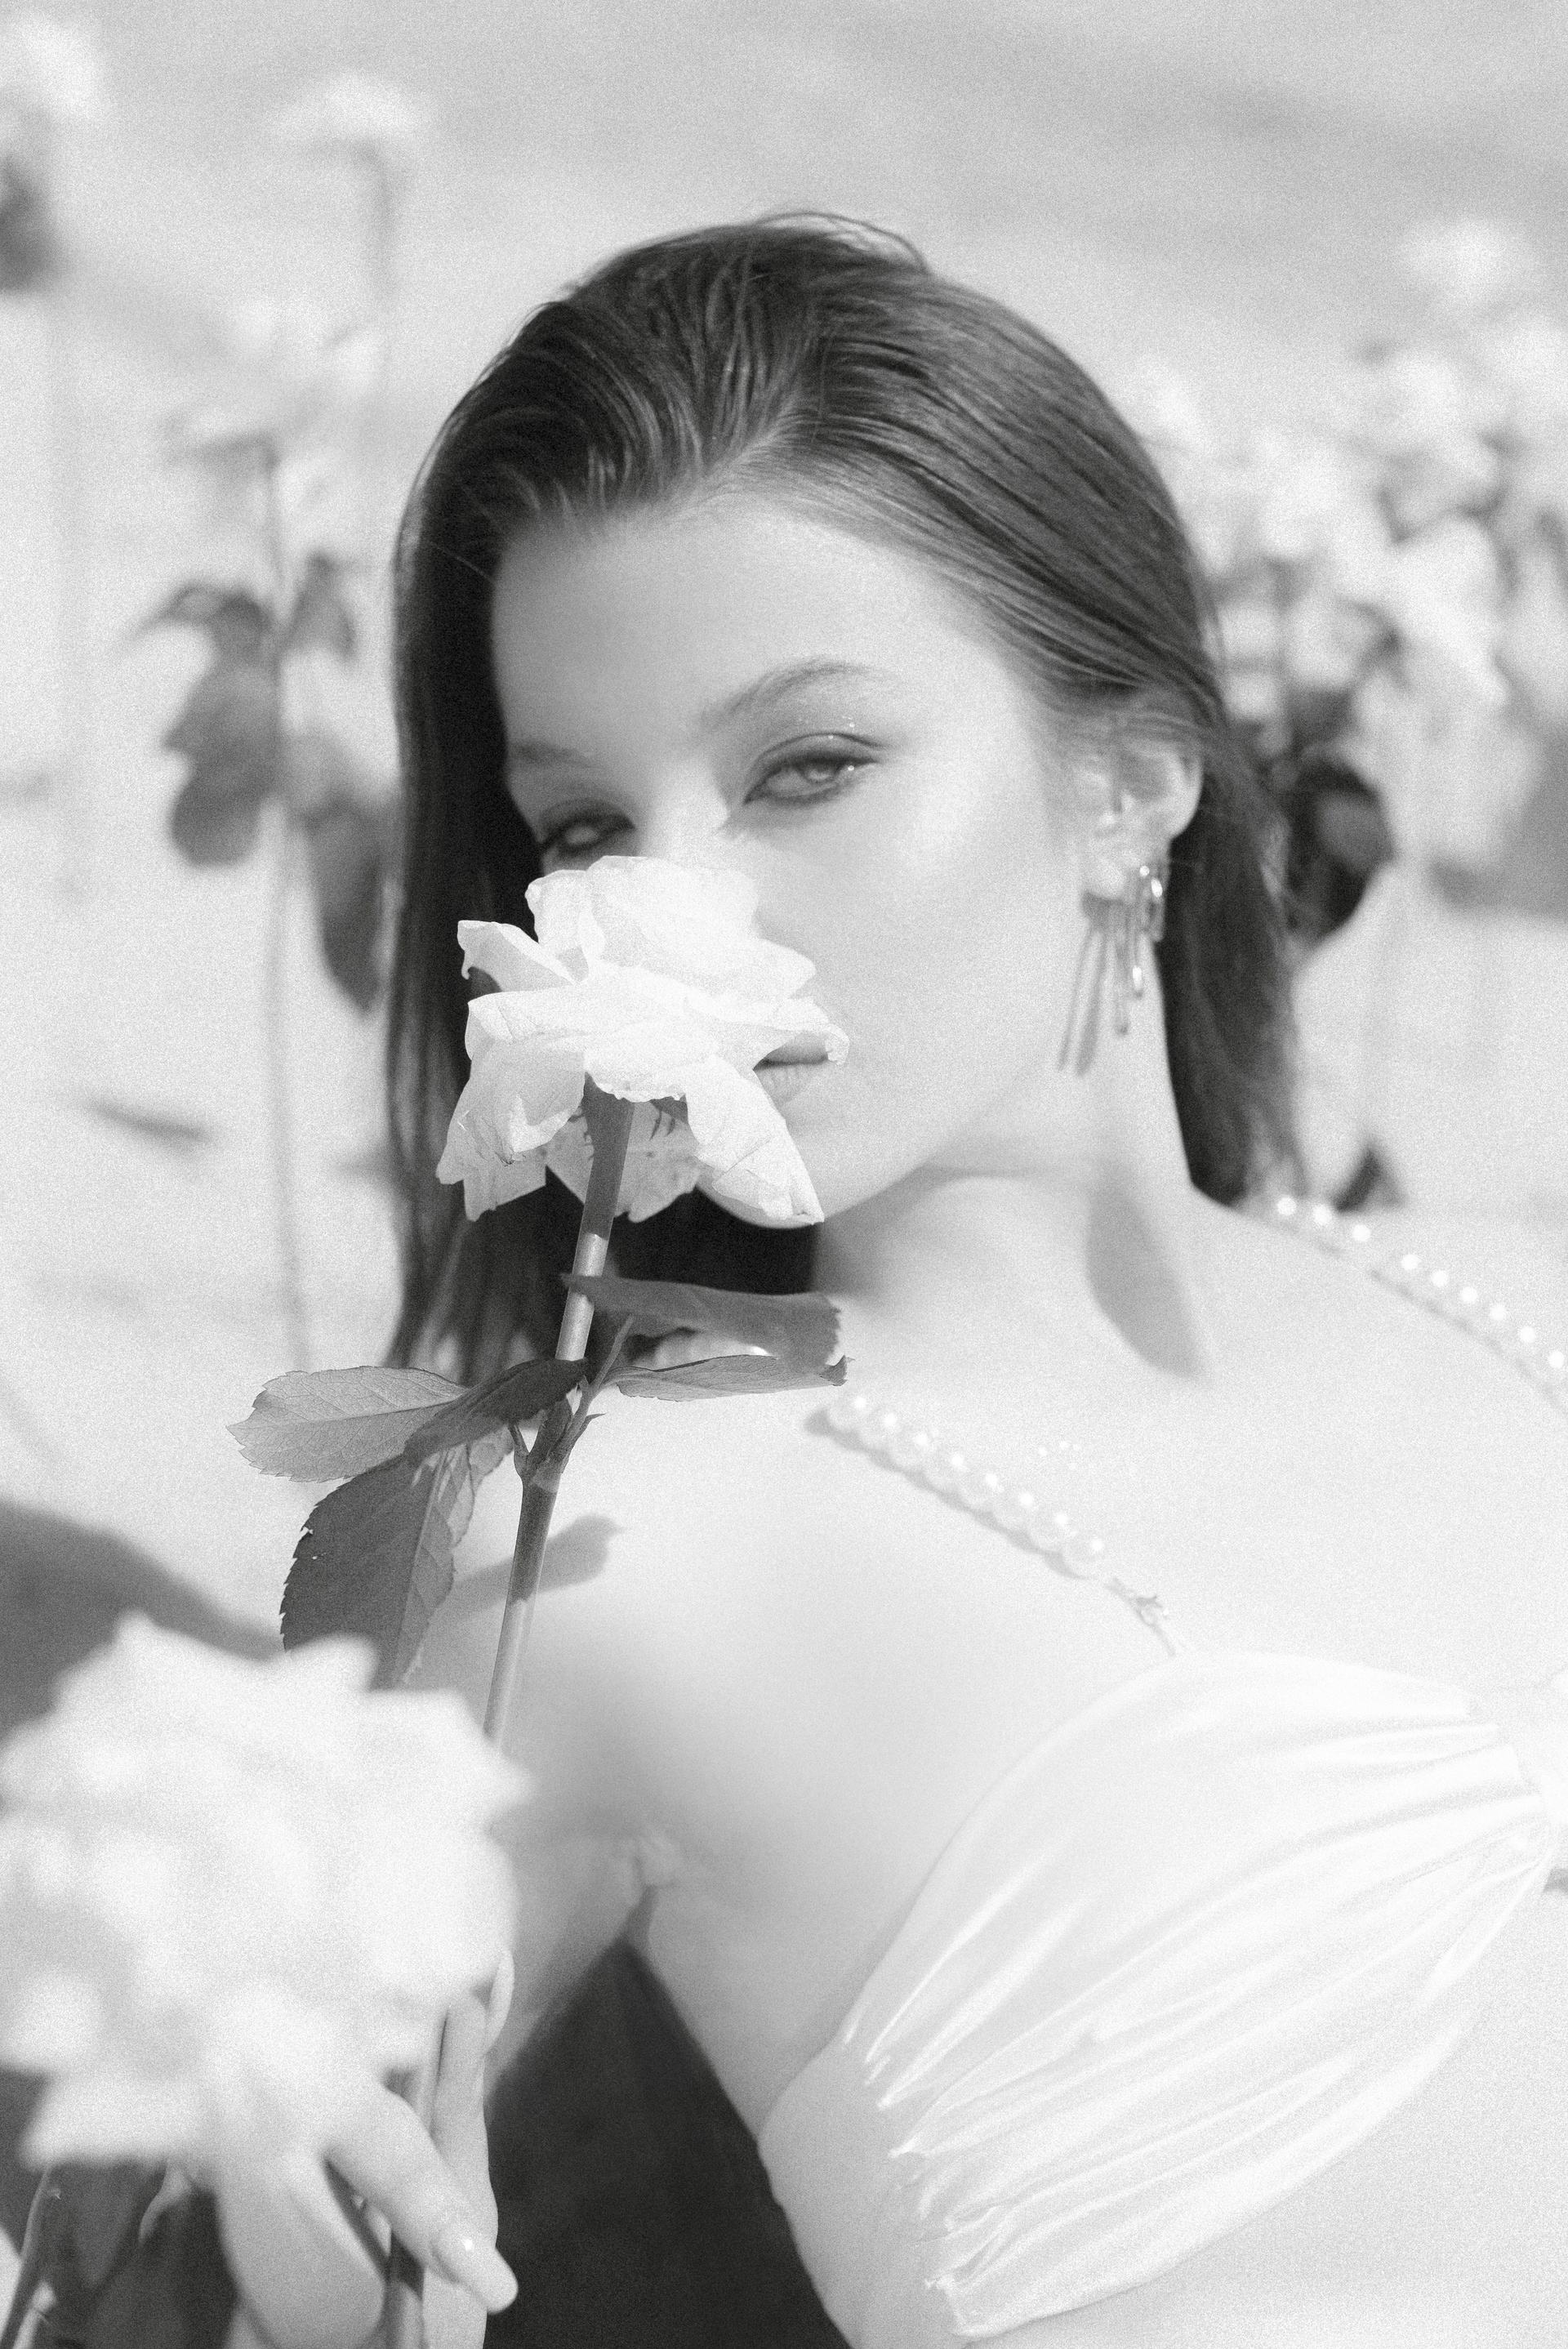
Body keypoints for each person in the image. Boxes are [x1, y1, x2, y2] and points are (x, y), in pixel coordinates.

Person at [220, 218, 1568, 2348]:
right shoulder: (588, 1547)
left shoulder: (1524, 1311)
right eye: (583, 828)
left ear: (1128, 782)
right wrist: (281, 2168)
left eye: (807, 768)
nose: (673, 905)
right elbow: (324, 2204)